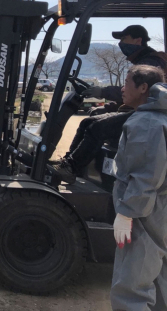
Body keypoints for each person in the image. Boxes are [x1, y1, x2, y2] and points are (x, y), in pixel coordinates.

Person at [53, 25, 167, 184]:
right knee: (88, 121)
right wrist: (107, 108)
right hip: (140, 112)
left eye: (123, 39)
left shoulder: (150, 64)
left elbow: (140, 96)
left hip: (147, 116)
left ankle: (71, 167)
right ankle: (70, 166)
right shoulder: (143, 60)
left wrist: (102, 92)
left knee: (98, 127)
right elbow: (132, 98)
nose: (120, 43)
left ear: (138, 40)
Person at [109, 65, 167, 311]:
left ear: (143, 88)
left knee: (131, 288)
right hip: (156, 210)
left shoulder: (146, 123)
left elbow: (145, 177)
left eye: (127, 82)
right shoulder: (157, 117)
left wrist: (126, 213)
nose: (122, 88)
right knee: (157, 278)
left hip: (142, 214)